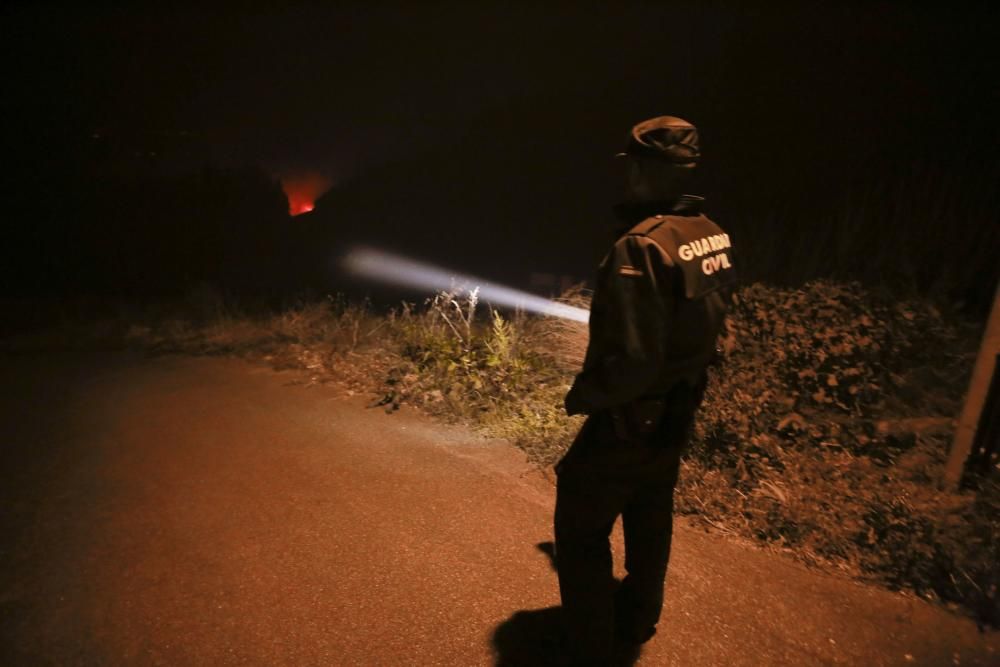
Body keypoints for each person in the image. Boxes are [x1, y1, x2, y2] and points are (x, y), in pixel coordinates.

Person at [554, 116, 737, 665]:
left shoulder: (642, 246)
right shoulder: (709, 232)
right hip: (681, 405)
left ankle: (589, 646)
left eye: (634, 165)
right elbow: (721, 321)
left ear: (647, 170)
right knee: (650, 506)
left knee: (579, 523)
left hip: (634, 413)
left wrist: (585, 395)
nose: (628, 175)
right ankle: (636, 620)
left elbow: (632, 359)